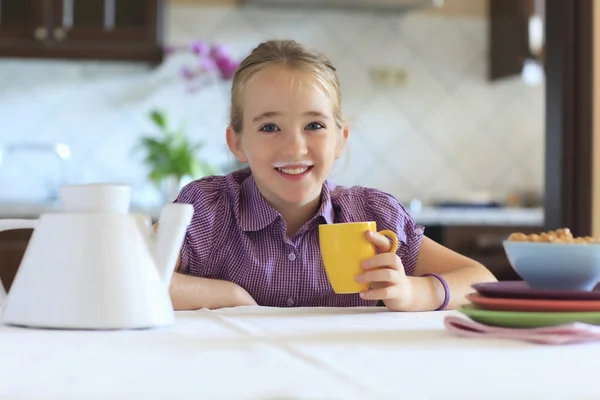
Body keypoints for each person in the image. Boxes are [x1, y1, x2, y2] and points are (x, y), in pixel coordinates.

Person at [163, 39, 497, 312]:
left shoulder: (374, 217)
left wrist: (412, 291)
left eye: (314, 126)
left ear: (340, 139)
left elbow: (480, 282)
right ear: (236, 143)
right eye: (269, 127)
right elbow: (132, 275)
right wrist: (231, 297)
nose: (295, 147)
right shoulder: (205, 212)